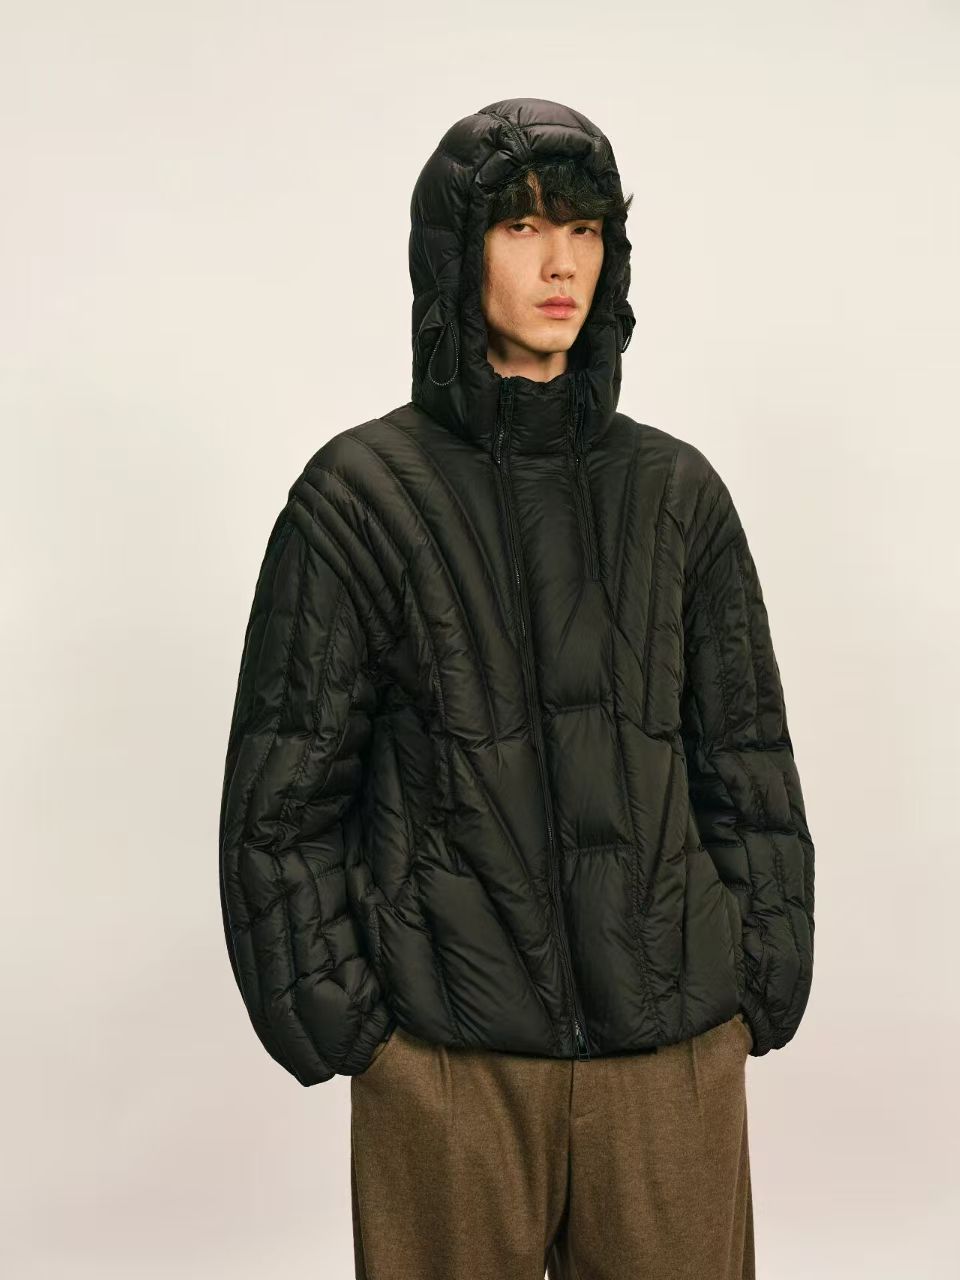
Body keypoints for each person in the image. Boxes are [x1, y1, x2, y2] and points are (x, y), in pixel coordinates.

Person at [218, 97, 815, 1280]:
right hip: (449, 1066)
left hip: (670, 1057)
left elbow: (746, 763)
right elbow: (284, 798)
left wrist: (755, 980)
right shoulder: (361, 498)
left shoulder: (678, 494)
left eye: (586, 230)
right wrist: (356, 1028)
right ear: (456, 253)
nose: (560, 264)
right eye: (524, 227)